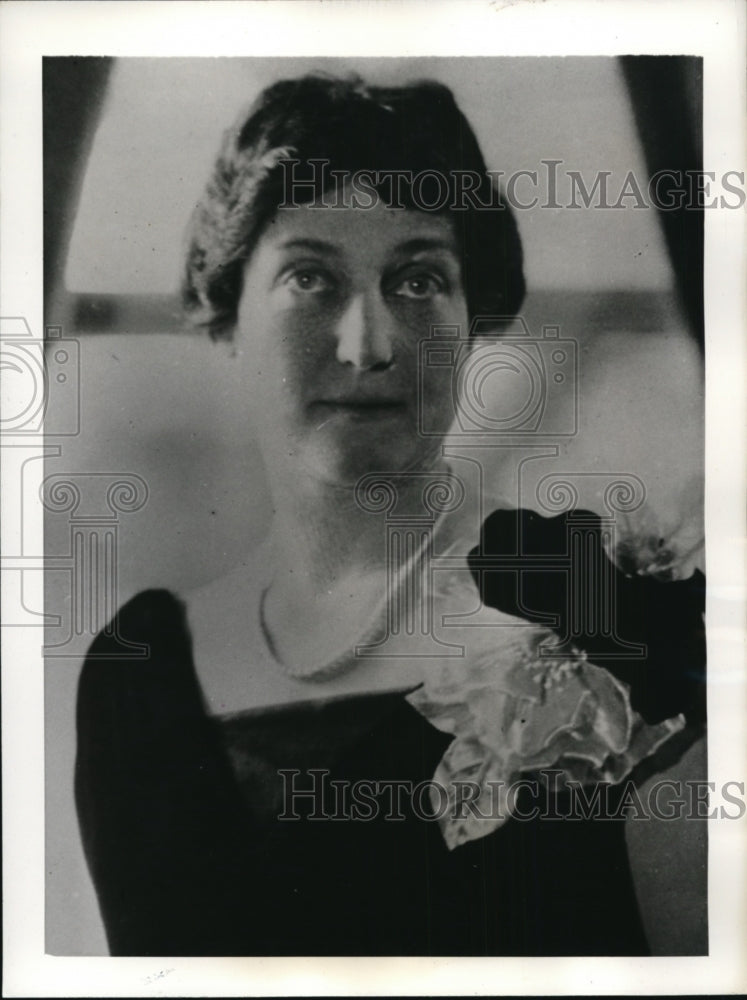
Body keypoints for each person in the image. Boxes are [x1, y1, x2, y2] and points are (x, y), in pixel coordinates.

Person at [75, 73, 706, 957]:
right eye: (309, 277)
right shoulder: (138, 679)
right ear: (227, 316)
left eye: (416, 279)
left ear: (472, 315)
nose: (367, 345)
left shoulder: (606, 613)